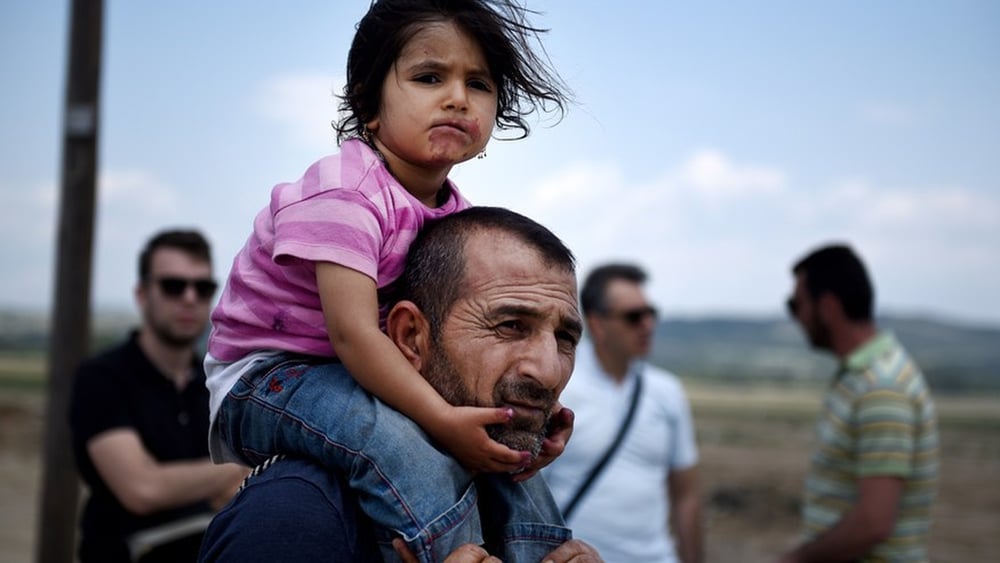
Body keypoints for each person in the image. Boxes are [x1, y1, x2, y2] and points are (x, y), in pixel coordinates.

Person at [206, 1, 571, 561]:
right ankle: (451, 551)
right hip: (269, 378)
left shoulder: (454, 219)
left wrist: (524, 426)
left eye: (478, 83)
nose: (456, 97)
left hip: (351, 374)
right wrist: (442, 419)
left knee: (492, 448)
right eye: (429, 77)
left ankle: (541, 553)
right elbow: (354, 335)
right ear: (368, 101)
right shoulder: (345, 192)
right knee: (398, 441)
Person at [199, 206, 600, 562]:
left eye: (565, 338)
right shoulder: (295, 515)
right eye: (511, 326)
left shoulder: (504, 492)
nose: (548, 372)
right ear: (411, 337)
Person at [69, 229, 247, 563]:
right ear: (141, 294)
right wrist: (235, 469)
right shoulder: (101, 378)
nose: (190, 298)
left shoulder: (218, 385)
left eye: (204, 287)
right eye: (173, 286)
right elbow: (141, 489)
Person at [780, 244, 939, 563]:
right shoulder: (861, 377)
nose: (795, 318)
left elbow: (873, 523)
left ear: (827, 307)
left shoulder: (881, 387)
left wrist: (793, 560)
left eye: (796, 304)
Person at [543, 263, 703, 563]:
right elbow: (529, 491)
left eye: (650, 314)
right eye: (634, 317)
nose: (648, 325)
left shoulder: (667, 392)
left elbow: (686, 495)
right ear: (598, 323)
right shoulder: (561, 388)